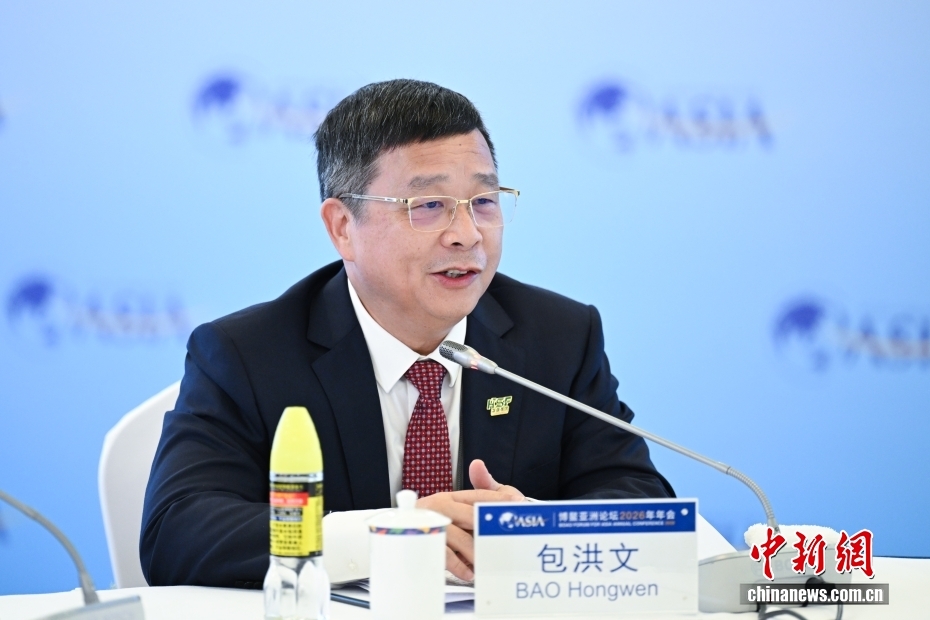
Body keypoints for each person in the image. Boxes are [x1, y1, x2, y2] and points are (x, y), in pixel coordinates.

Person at [140, 79, 673, 589]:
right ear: (343, 227)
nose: (467, 235)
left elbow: (640, 501)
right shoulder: (248, 355)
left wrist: (537, 529)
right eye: (429, 205)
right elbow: (178, 530)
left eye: (484, 201)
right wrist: (388, 535)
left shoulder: (560, 337)